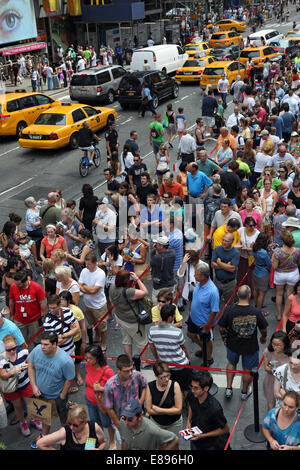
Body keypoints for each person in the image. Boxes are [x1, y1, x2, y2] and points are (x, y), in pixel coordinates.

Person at [218, 285, 268, 400]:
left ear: (237, 295)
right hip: (250, 346)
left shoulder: (230, 309)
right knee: (247, 370)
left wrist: (224, 337)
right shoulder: (255, 311)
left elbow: (221, 327)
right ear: (249, 295)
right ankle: (244, 392)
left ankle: (229, 389)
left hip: (232, 344)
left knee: (231, 363)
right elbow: (263, 329)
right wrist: (263, 337)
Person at [27, 331, 75, 448]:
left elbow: (70, 379)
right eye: (42, 343)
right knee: (45, 418)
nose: (42, 347)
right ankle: (44, 437)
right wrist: (34, 385)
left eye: (46, 344)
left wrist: (62, 396)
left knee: (64, 421)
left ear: (54, 344)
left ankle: (68, 440)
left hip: (58, 397)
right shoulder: (37, 350)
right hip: (41, 395)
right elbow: (30, 364)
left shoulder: (65, 360)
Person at [0, 334, 42, 437]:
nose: (12, 351)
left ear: (16, 345)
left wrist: (27, 366)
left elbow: (32, 364)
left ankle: (33, 419)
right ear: (4, 348)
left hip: (25, 383)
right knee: (18, 407)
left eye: (14, 348)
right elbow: (3, 375)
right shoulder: (2, 358)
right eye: (8, 350)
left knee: (31, 403)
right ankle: (22, 422)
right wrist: (13, 371)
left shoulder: (23, 352)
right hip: (12, 388)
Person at [148, 304, 191, 395]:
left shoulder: (152, 330)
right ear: (170, 317)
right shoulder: (177, 332)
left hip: (165, 366)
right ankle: (187, 404)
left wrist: (157, 359)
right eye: (174, 315)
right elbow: (183, 347)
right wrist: (188, 358)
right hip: (181, 365)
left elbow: (152, 346)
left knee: (169, 388)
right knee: (185, 387)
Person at [109, 270, 149, 361]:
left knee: (126, 340)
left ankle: (129, 360)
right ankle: (144, 362)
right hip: (133, 321)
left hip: (120, 317)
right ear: (125, 281)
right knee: (141, 342)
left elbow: (111, 300)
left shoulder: (112, 287)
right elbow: (145, 292)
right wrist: (138, 279)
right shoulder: (128, 292)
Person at [186, 370, 231, 450]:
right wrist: (188, 421)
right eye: (192, 387)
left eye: (196, 388)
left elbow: (225, 429)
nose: (192, 390)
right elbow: (191, 405)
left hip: (213, 444)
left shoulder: (215, 408)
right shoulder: (192, 395)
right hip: (196, 439)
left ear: (206, 388)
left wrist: (202, 436)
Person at [104, 354, 148, 434]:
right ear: (118, 370)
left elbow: (145, 386)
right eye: (126, 371)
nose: (130, 373)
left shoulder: (137, 375)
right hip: (122, 421)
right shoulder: (110, 385)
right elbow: (109, 409)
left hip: (137, 419)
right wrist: (119, 426)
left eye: (131, 369)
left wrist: (140, 402)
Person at [187, 261, 219, 365]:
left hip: (204, 322)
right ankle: (204, 349)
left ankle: (209, 358)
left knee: (207, 340)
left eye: (196, 274)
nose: (194, 275)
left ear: (203, 276)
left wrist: (208, 324)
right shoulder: (199, 283)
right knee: (190, 334)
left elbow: (214, 310)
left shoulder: (212, 291)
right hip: (193, 318)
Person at [84, 345, 116, 449]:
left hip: (103, 403)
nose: (87, 360)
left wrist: (101, 388)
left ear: (97, 358)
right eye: (86, 357)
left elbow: (116, 389)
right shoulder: (87, 366)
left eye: (90, 358)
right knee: (95, 423)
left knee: (107, 423)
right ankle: (101, 441)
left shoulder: (107, 371)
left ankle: (112, 441)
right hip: (90, 401)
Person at [37, 404, 106, 450]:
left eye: (75, 425)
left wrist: (99, 449)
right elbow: (40, 443)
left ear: (84, 422)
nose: (71, 428)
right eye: (69, 424)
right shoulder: (64, 433)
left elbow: (103, 442)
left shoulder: (94, 427)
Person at [78, 253, 107, 352]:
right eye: (86, 264)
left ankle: (103, 343)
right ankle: (97, 336)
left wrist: (85, 287)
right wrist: (87, 289)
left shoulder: (101, 273)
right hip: (87, 304)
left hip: (99, 305)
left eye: (89, 264)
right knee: (93, 322)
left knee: (102, 327)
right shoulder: (84, 271)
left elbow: (94, 291)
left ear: (95, 263)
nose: (86, 266)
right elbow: (79, 285)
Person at [9, 270, 47, 345]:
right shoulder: (13, 286)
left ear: (25, 282)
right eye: (15, 283)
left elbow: (42, 302)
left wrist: (44, 316)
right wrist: (11, 315)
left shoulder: (36, 287)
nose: (16, 286)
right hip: (19, 319)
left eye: (19, 284)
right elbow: (11, 301)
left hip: (34, 320)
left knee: (37, 340)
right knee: (20, 341)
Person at [145, 361, 182, 434]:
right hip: (157, 424)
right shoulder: (150, 386)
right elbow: (149, 410)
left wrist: (158, 410)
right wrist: (171, 411)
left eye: (168, 375)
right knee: (158, 444)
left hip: (174, 424)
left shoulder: (175, 385)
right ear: (156, 376)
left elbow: (178, 410)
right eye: (163, 377)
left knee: (172, 444)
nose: (167, 379)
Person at [272, 231, 300, 321]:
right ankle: (287, 314)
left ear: (282, 241)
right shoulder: (297, 251)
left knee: (279, 294)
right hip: (293, 274)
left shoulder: (277, 252)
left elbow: (274, 267)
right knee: (290, 295)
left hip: (280, 274)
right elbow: (298, 263)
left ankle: (279, 315)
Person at [263, 331, 290, 411]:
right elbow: (266, 367)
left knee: (285, 404)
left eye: (278, 345)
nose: (275, 347)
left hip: (285, 382)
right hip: (270, 381)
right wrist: (275, 370)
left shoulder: (290, 354)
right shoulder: (268, 351)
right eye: (273, 344)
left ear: (285, 344)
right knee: (271, 404)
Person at [211, 232, 240, 305]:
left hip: (230, 284)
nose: (223, 242)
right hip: (217, 281)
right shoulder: (217, 249)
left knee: (229, 304)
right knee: (214, 302)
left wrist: (220, 263)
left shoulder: (236, 252)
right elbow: (212, 264)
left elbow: (232, 269)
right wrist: (226, 266)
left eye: (226, 241)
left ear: (232, 242)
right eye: (223, 240)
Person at [150, 235, 176, 303]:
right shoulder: (173, 253)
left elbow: (152, 260)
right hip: (170, 283)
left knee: (157, 306)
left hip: (160, 286)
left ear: (161, 246)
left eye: (157, 244)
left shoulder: (157, 258)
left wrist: (155, 250)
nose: (155, 245)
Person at [252, 233, 272, 311]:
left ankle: (257, 305)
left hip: (256, 270)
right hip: (263, 273)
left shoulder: (255, 248)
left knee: (256, 290)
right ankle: (259, 311)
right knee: (262, 293)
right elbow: (269, 264)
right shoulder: (264, 252)